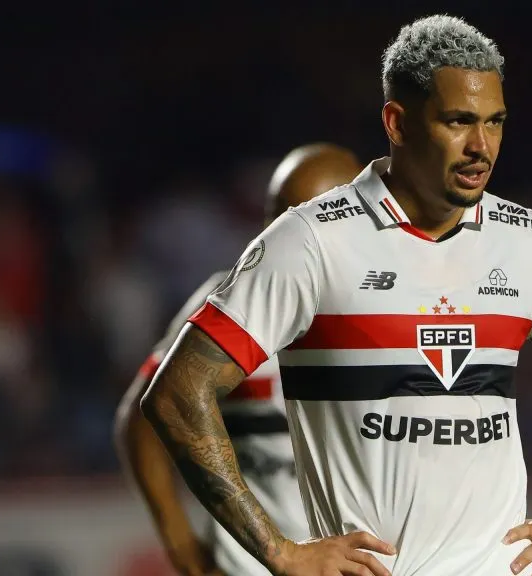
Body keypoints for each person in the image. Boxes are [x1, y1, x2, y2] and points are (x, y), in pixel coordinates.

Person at [141, 14, 532, 576]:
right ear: (397, 123)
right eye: (458, 121)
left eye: (495, 122)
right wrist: (279, 551)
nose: (481, 146)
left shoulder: (526, 241)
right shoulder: (313, 240)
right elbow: (177, 393)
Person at [115, 143, 364, 576]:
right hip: (252, 566)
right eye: (284, 220)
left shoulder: (405, 307)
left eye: (319, 219)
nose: (299, 237)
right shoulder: (227, 304)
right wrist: (182, 547)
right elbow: (142, 419)